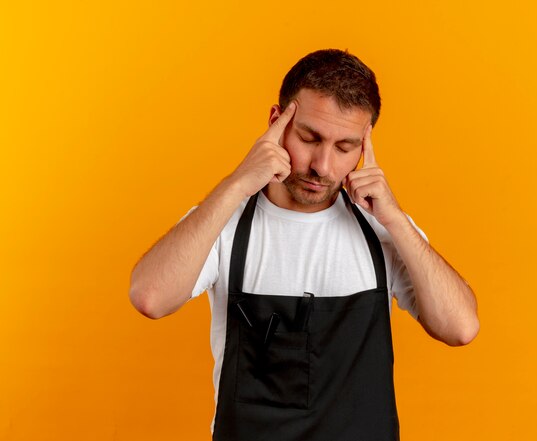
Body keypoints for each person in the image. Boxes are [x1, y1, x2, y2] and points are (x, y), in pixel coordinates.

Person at [129, 49, 479, 441]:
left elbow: (460, 328)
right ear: (277, 123)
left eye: (345, 147)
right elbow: (150, 297)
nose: (322, 166)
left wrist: (396, 219)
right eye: (310, 138)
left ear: (364, 148)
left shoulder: (383, 229)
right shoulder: (222, 222)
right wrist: (238, 182)